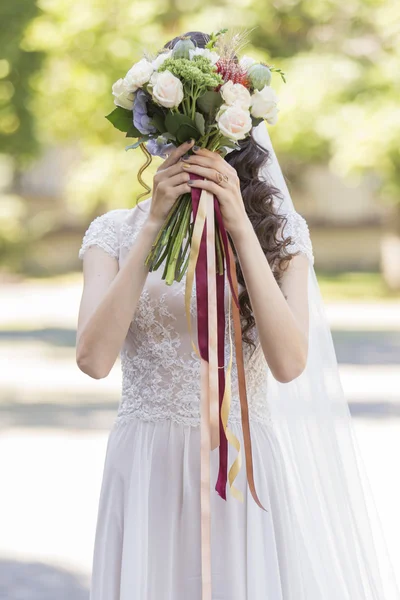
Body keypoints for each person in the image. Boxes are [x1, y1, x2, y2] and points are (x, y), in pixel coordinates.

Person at [76, 31, 399, 600]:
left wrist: (241, 227)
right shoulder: (113, 233)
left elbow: (290, 363)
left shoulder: (283, 236)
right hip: (146, 463)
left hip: (240, 465)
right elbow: (94, 359)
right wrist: (153, 225)